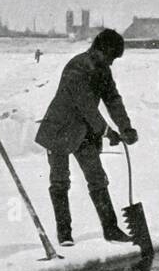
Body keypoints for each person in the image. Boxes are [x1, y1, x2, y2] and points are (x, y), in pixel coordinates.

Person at [35, 27, 137, 246]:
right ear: (99, 49)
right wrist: (108, 131)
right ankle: (64, 234)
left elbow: (113, 99)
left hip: (84, 132)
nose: (111, 63)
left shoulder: (103, 69)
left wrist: (126, 127)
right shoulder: (77, 67)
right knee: (60, 181)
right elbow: (86, 106)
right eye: (110, 57)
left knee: (97, 178)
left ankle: (110, 229)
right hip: (59, 130)